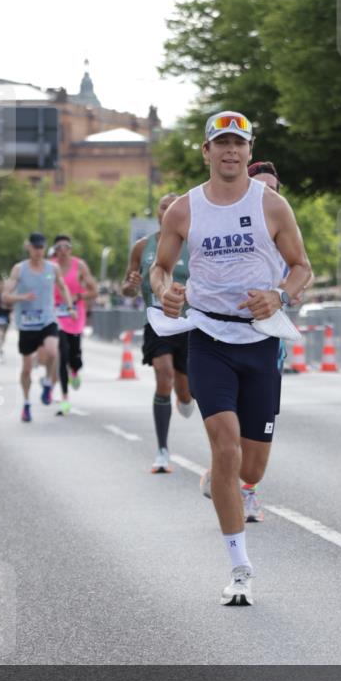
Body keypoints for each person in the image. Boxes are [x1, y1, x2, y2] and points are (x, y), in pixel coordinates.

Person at [150, 111, 313, 605]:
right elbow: (160, 268)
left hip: (261, 339)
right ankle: (239, 565)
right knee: (224, 446)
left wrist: (281, 295)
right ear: (206, 151)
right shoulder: (184, 209)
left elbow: (301, 267)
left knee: (253, 465)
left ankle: (237, 486)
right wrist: (167, 293)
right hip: (209, 338)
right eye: (220, 143)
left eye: (238, 144)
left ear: (248, 149)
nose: (230, 151)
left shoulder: (273, 205)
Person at [122, 193, 194, 472]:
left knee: (186, 392)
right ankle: (162, 450)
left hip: (190, 324)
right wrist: (131, 284)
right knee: (163, 374)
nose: (169, 210)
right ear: (158, 212)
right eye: (164, 206)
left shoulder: (195, 243)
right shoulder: (143, 247)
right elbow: (127, 288)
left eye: (174, 206)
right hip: (157, 322)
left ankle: (184, 396)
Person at [1, 232, 73, 423]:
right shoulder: (19, 269)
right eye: (35, 247)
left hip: (47, 319)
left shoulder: (53, 268)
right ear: (29, 247)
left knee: (52, 350)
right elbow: (5, 296)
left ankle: (48, 383)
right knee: (26, 368)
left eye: (41, 247)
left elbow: (63, 287)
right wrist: (21, 298)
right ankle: (26, 403)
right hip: (26, 323)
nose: (38, 251)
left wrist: (70, 306)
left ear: (44, 248)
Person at [50, 234, 98, 415]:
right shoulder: (50, 266)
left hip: (75, 315)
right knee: (62, 354)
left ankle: (75, 370)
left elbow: (94, 290)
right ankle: (64, 399)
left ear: (70, 249)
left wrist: (78, 297)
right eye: (59, 247)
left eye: (66, 247)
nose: (63, 251)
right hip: (57, 315)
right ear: (55, 250)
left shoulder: (80, 265)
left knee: (74, 355)